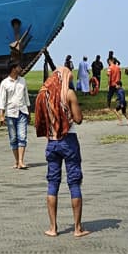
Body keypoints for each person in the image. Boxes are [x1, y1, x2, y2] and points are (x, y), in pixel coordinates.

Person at [34, 63, 89, 237]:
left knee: (52, 183)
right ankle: (77, 228)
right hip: (69, 140)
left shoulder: (44, 95)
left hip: (52, 142)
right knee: (74, 182)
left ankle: (53, 227)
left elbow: (40, 119)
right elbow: (78, 119)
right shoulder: (69, 93)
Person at [0, 61, 30, 170]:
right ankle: (16, 161)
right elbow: (2, 100)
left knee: (22, 136)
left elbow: (26, 97)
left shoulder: (23, 81)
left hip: (22, 111)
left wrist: (28, 112)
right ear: (13, 69)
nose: (21, 68)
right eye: (18, 67)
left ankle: (21, 161)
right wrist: (1, 115)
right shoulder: (4, 83)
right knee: (13, 138)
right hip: (10, 113)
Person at [106, 58, 128, 125]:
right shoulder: (118, 67)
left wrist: (108, 84)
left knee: (109, 96)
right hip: (118, 83)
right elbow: (120, 75)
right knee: (120, 94)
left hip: (112, 84)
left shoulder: (110, 68)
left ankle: (108, 107)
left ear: (110, 61)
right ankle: (122, 103)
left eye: (108, 62)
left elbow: (109, 76)